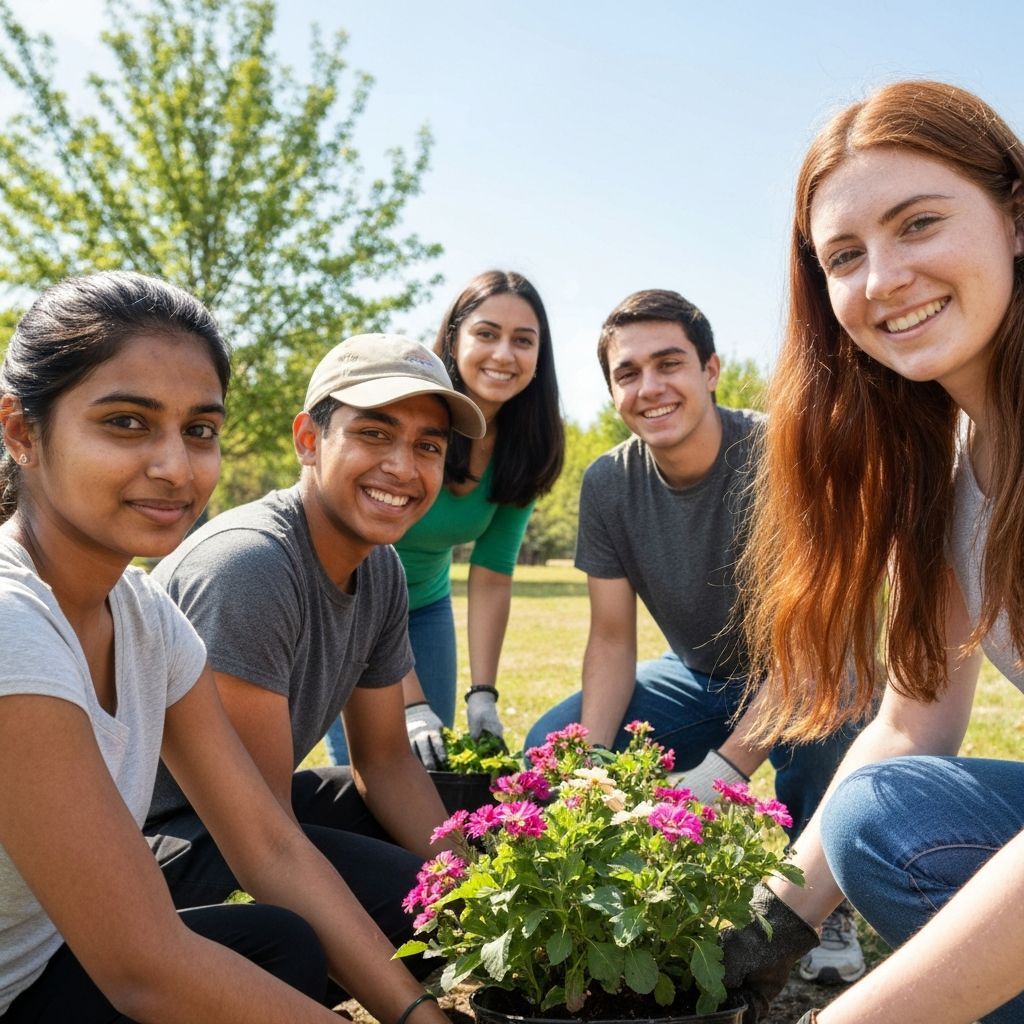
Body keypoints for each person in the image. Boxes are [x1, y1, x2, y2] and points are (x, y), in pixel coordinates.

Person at [0, 272, 450, 1024]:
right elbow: (145, 968)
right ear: (21, 431)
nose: (176, 468)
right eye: (126, 423)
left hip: (43, 967)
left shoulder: (145, 618)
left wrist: (416, 1016)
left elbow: (269, 846)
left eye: (199, 431)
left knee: (282, 945)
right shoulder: (13, 621)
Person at [722, 80, 1024, 1024]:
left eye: (918, 223)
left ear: (1016, 219)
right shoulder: (951, 463)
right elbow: (911, 721)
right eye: (844, 256)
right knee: (886, 812)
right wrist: (760, 935)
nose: (883, 279)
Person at [524, 288, 862, 982]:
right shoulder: (608, 483)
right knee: (551, 745)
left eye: (669, 363)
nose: (649, 387)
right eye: (627, 373)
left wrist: (722, 772)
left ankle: (825, 899)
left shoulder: (783, 454)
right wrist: (589, 762)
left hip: (815, 668)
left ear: (710, 369)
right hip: (701, 676)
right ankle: (606, 891)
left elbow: (810, 649)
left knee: (830, 719)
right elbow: (611, 641)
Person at [145, 333, 486, 979]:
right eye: (374, 433)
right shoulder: (248, 566)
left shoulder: (380, 569)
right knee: (412, 906)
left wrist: (483, 886)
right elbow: (263, 835)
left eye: (428, 446)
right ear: (308, 439)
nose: (403, 467)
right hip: (154, 845)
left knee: (437, 854)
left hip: (243, 819)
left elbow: (384, 760)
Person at [323, 271, 565, 768]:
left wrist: (484, 693)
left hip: (426, 608)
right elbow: (358, 558)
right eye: (487, 333)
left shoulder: (528, 446)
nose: (504, 354)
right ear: (453, 340)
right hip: (347, 601)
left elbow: (493, 572)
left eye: (523, 340)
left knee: (431, 769)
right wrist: (411, 702)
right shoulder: (410, 413)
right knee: (367, 771)